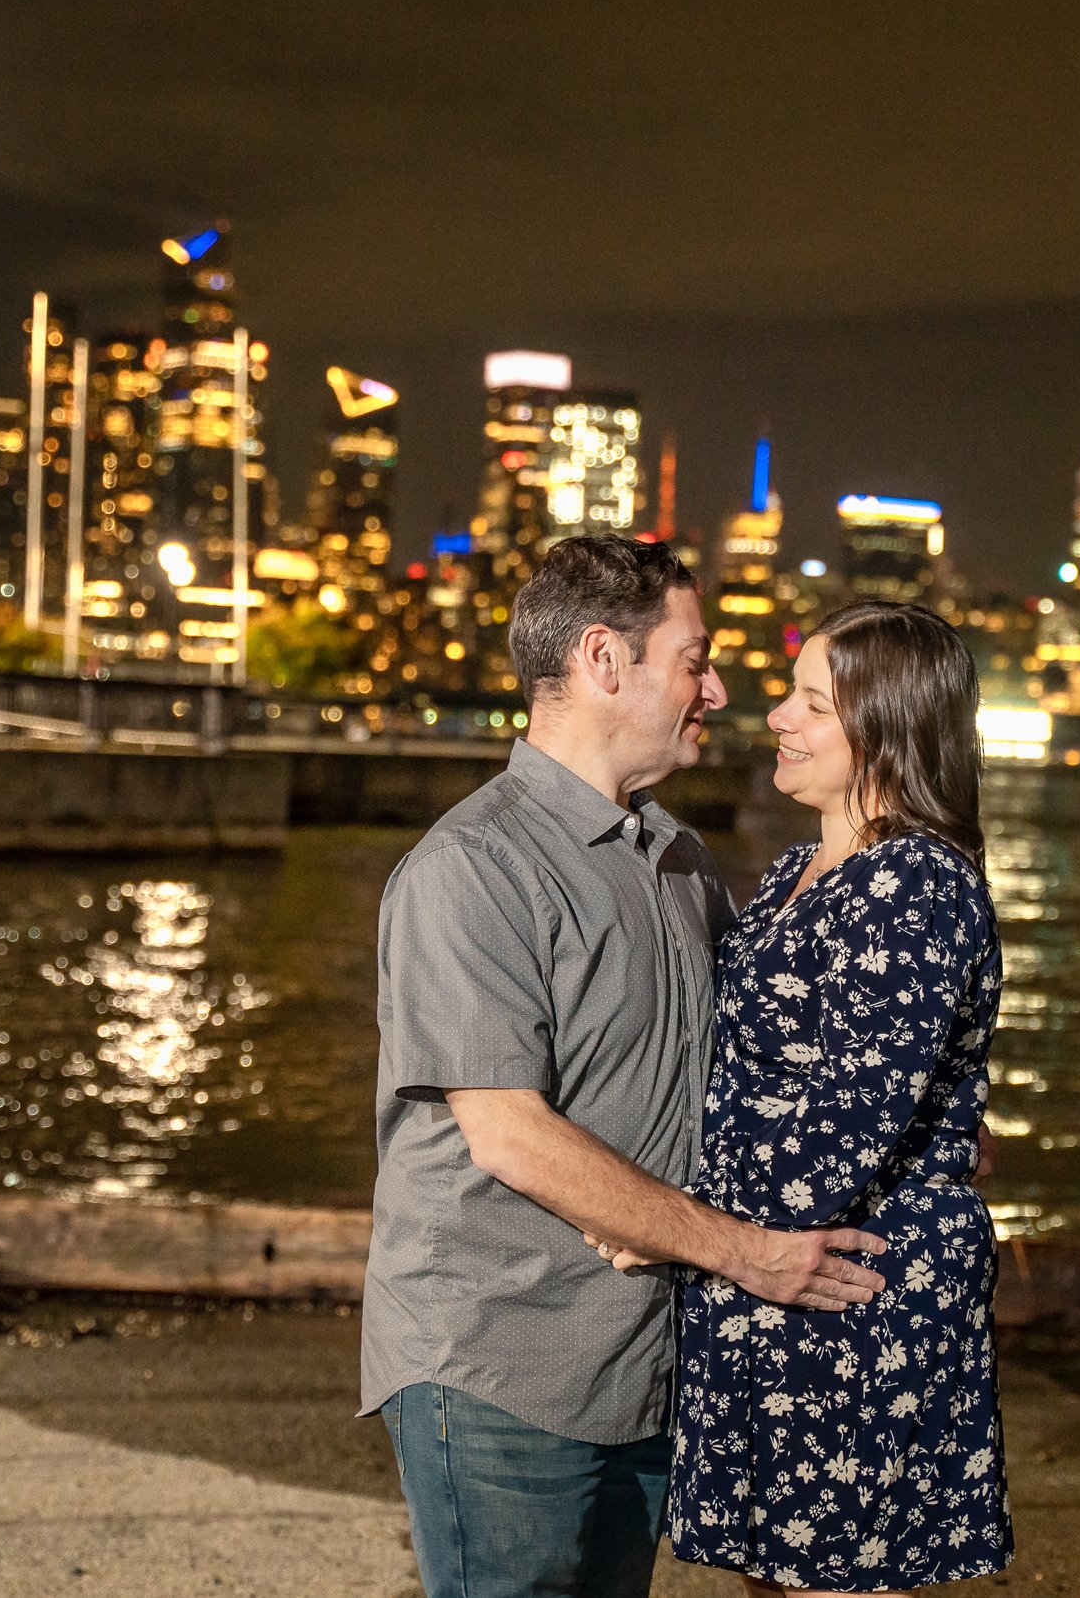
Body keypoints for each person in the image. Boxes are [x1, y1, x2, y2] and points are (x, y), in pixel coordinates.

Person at [360, 534, 893, 1598]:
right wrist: (747, 1252)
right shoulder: (473, 868)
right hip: (499, 1354)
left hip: (642, 1357)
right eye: (695, 659)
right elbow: (508, 1130)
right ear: (605, 660)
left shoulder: (680, 863)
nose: (719, 687)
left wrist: (923, 1121)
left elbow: (756, 1074)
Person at [623, 599, 1012, 1594]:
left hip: (852, 1290)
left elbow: (848, 1121)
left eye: (810, 704)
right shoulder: (803, 867)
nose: (777, 721)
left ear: (883, 725)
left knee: (835, 1580)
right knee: (775, 1575)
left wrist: (667, 1223)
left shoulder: (914, 879)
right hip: (770, 1279)